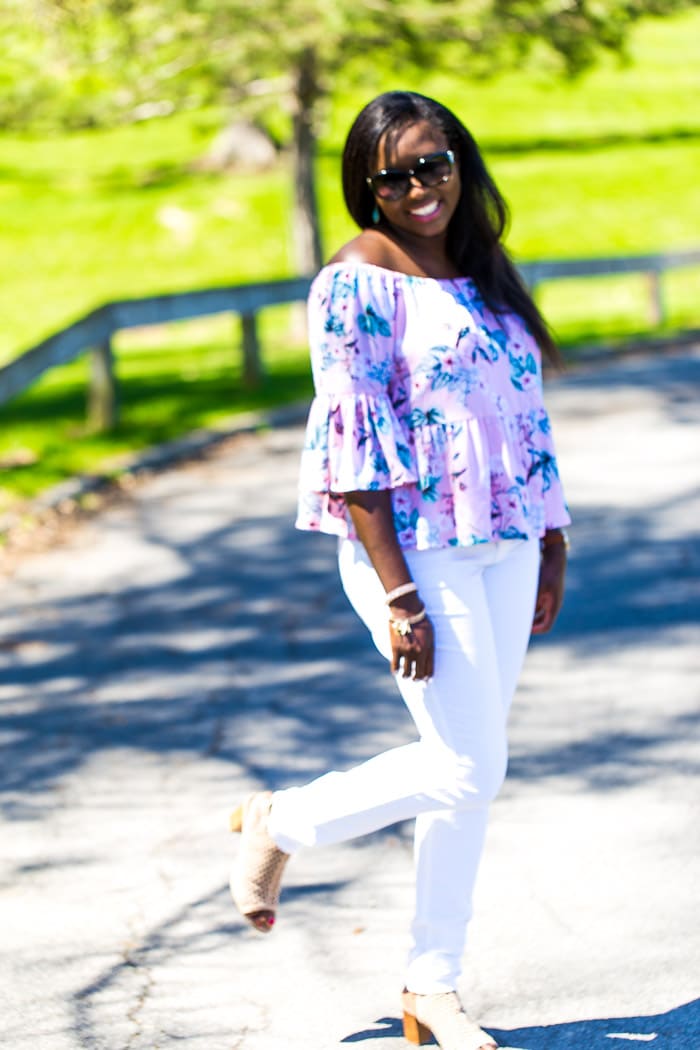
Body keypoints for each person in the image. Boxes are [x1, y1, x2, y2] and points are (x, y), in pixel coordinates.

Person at [229, 90, 570, 1050]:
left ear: (461, 161)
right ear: (366, 189)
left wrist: (552, 541)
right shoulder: (356, 280)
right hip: (412, 550)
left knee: (469, 775)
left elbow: (525, 420)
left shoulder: (483, 274)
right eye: (396, 174)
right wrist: (399, 592)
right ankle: (281, 822)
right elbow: (353, 447)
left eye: (436, 162)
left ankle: (433, 986)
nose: (421, 186)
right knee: (468, 766)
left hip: (503, 542)